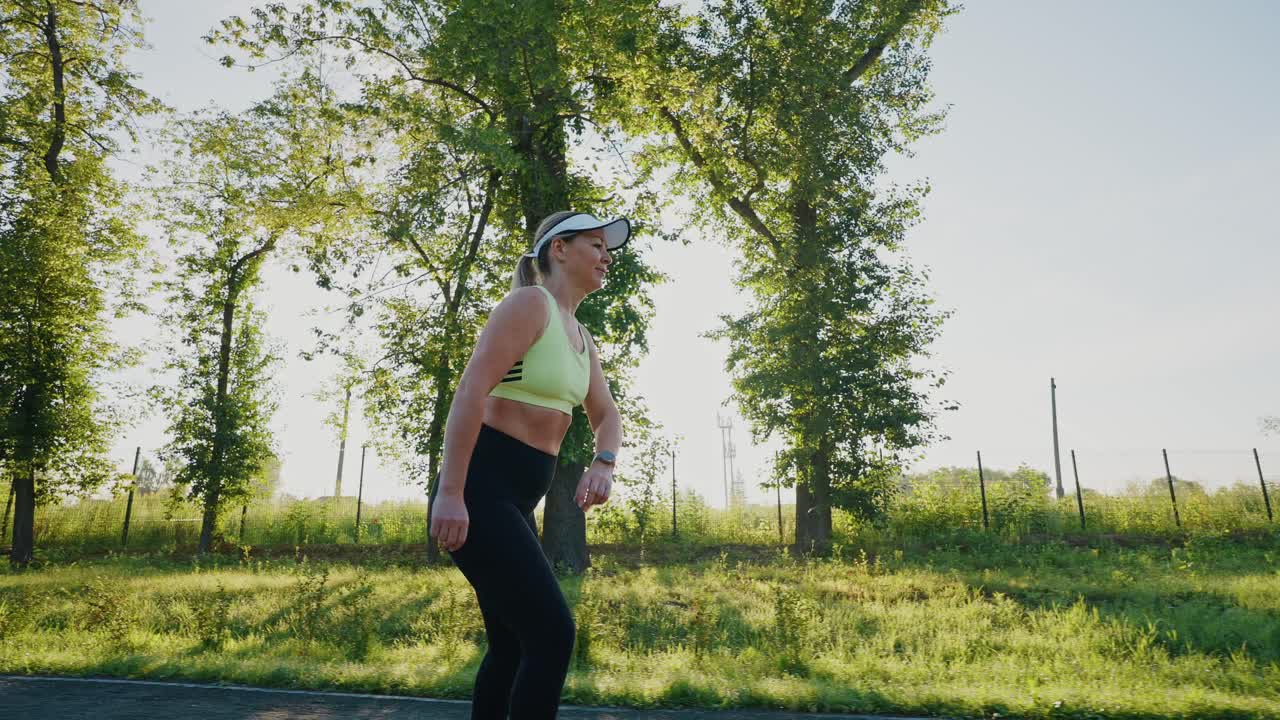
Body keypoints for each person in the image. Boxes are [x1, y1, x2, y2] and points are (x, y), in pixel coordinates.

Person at [429, 210, 630, 719]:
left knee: (513, 645)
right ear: (559, 249)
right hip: (480, 488)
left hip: (517, 502)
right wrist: (451, 493)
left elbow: (606, 414)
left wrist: (603, 462)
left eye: (609, 249)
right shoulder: (528, 305)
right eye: (597, 245)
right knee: (551, 632)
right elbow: (472, 390)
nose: (608, 257)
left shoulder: (581, 338)